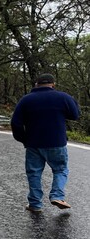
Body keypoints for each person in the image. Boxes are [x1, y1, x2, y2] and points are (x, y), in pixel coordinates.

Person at [11, 73, 80, 212]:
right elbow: (75, 115)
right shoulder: (63, 97)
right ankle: (57, 196)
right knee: (60, 170)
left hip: (33, 144)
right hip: (57, 143)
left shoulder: (26, 100)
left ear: (36, 84)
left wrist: (23, 139)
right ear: (53, 84)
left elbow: (15, 123)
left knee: (34, 173)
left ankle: (35, 204)